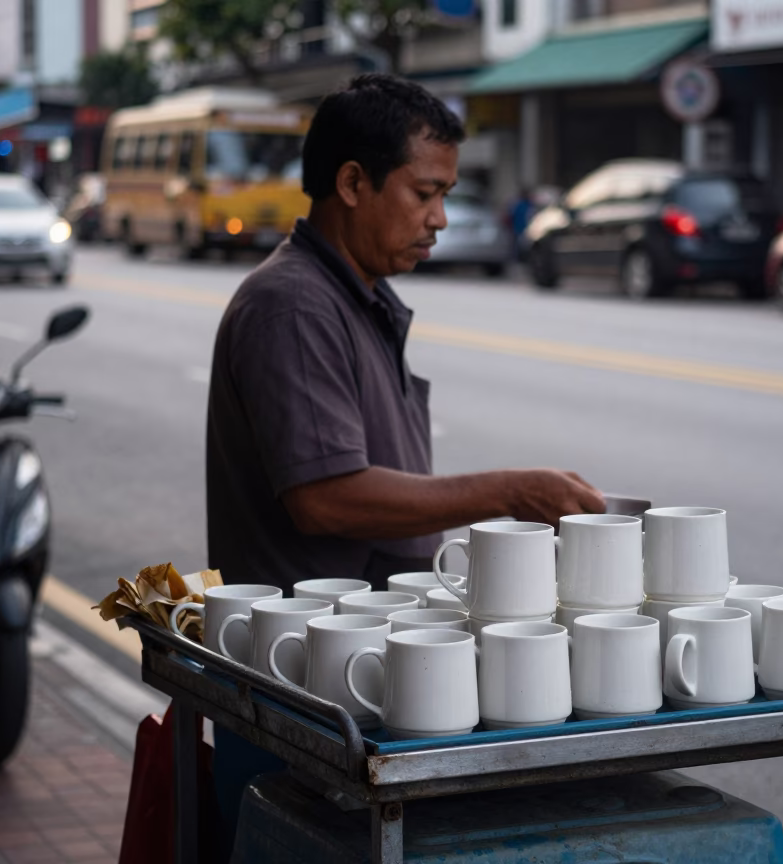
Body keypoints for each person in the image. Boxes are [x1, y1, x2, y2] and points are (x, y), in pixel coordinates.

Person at [204, 73, 604, 856]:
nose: (440, 220)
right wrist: (509, 491)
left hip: (362, 676)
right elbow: (324, 499)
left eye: (447, 195)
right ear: (353, 183)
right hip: (312, 685)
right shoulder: (293, 304)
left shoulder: (355, 295)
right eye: (425, 193)